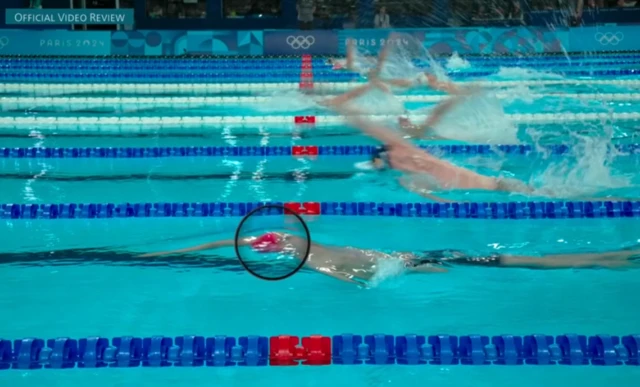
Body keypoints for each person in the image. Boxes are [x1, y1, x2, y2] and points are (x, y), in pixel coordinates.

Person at [140, 232, 640, 286]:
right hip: (413, 253)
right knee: (505, 262)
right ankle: (609, 257)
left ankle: (608, 260)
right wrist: (173, 251)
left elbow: (364, 280)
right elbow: (217, 244)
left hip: (410, 261)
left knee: (508, 266)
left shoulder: (314, 263)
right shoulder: (312, 248)